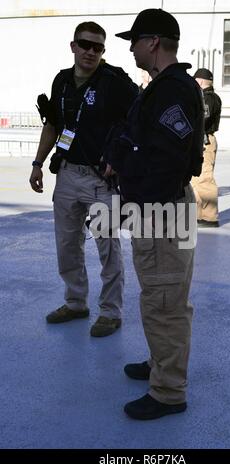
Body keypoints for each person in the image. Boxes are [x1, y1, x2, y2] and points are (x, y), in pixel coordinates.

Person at [104, 9, 204, 419]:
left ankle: (168, 392)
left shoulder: (171, 90)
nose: (130, 48)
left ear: (154, 43)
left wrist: (119, 155)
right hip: (162, 208)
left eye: (135, 40)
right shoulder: (164, 86)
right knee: (163, 298)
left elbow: (161, 158)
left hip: (161, 212)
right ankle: (159, 362)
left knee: (165, 301)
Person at [29, 22, 138, 337]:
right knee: (67, 244)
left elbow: (139, 119)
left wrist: (120, 157)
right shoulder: (62, 81)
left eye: (98, 47)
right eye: (85, 44)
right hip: (67, 175)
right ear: (73, 46)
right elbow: (54, 124)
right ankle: (76, 302)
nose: (91, 51)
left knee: (108, 247)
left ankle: (111, 311)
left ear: (103, 51)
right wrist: (38, 163)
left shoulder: (115, 81)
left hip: (100, 180)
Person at [192, 68, 222, 227]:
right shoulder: (205, 97)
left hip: (205, 141)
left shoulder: (209, 98)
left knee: (205, 178)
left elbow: (203, 118)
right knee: (196, 180)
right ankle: (200, 214)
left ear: (200, 81)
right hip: (200, 140)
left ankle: (210, 216)